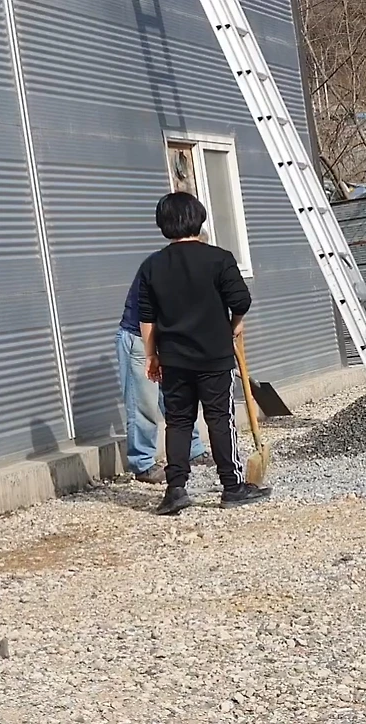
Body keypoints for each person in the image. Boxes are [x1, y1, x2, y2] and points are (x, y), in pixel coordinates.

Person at [137, 191, 270, 515]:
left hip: (174, 359)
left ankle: (176, 489)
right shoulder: (219, 259)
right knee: (219, 419)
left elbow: (146, 317)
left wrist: (152, 356)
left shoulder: (152, 265)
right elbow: (241, 300)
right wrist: (234, 325)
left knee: (178, 422)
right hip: (214, 356)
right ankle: (232, 487)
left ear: (163, 225)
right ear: (199, 219)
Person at [115, 269, 211, 485]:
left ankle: (193, 450)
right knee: (143, 405)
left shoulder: (192, 269)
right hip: (139, 339)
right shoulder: (160, 269)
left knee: (178, 398)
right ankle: (143, 464)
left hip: (166, 340)